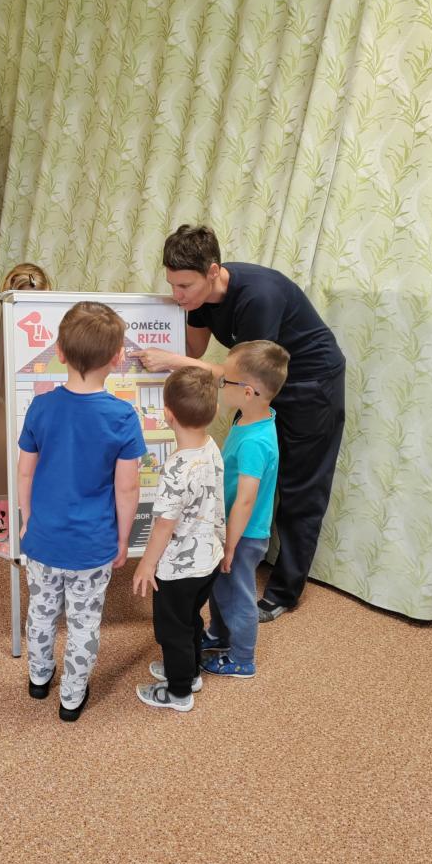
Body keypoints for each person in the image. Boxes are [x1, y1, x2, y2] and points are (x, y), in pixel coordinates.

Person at [138, 224, 345, 621]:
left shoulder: (258, 298)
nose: (177, 295)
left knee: (301, 487)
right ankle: (234, 552)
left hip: (311, 383)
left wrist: (173, 361)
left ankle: (285, 592)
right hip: (256, 386)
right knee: (241, 466)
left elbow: (245, 374)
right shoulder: (197, 298)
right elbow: (195, 348)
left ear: (213, 272)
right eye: (172, 285)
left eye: (184, 286)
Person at [18, 301, 145, 722]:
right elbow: (127, 487)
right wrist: (123, 539)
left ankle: (39, 679)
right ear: (117, 357)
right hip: (93, 544)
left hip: (43, 539)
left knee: (41, 612)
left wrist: (27, 520)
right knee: (83, 622)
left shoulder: (41, 406)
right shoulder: (122, 416)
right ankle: (71, 698)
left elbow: (25, 472)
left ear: (59, 351)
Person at [132, 367, 225, 712]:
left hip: (177, 571)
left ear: (167, 414)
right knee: (191, 619)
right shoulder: (211, 447)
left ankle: (179, 691)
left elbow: (163, 526)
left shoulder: (176, 468)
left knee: (172, 630)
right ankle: (190, 671)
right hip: (208, 560)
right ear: (214, 411)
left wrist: (147, 564)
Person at [201, 341, 289, 678]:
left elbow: (246, 500)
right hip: (233, 529)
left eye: (226, 380)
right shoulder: (253, 419)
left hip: (243, 534)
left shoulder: (254, 441)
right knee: (220, 587)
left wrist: (230, 544)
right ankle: (219, 634)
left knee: (238, 595)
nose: (220, 384)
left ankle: (242, 658)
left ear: (248, 392)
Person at [0, 263, 52, 555]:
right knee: (4, 473)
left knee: (36, 471)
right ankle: (1, 535)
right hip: (8, 414)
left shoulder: (50, 332)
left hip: (39, 412)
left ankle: (32, 524)